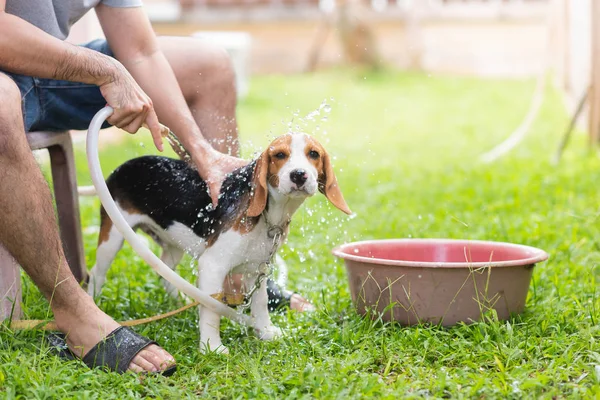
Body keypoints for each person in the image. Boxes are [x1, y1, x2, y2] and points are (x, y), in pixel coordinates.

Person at [0, 0, 311, 375]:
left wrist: (201, 152)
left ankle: (233, 263)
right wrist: (107, 69)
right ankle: (72, 308)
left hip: (49, 64)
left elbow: (142, 50)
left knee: (210, 64)